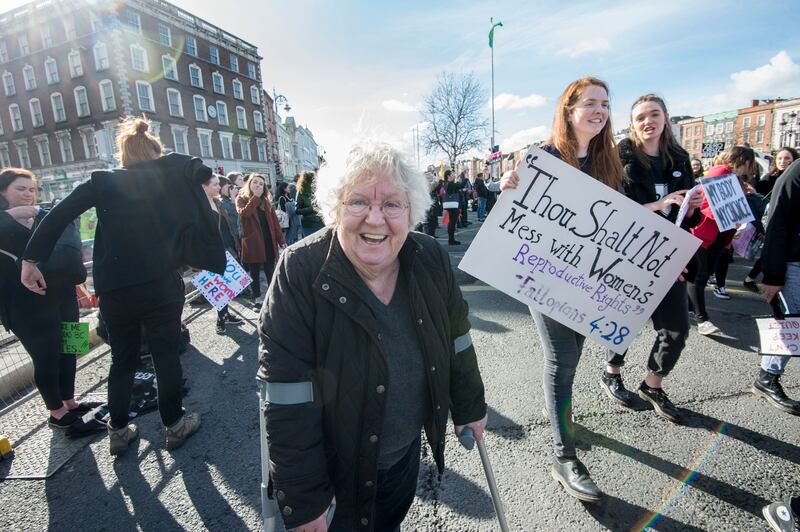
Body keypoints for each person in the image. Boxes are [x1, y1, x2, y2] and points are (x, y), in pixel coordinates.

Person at [259, 142, 487, 531]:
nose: (375, 219)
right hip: (333, 471)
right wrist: (305, 495)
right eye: (358, 202)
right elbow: (286, 391)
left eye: (392, 205)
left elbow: (457, 337)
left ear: (412, 212)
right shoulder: (299, 270)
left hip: (402, 458)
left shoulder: (429, 257)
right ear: (335, 210)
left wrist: (470, 403)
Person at [21, 116, 226, 455]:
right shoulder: (170, 173)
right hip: (161, 282)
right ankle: (174, 424)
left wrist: (31, 261)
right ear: (155, 151)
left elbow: (58, 215)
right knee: (165, 354)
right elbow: (201, 171)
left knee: (123, 358)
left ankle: (118, 430)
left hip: (115, 286)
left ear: (123, 155)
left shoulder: (103, 181)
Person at [500, 76, 625, 502]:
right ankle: (563, 455)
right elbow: (513, 206)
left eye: (605, 104)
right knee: (563, 357)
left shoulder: (610, 161)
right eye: (590, 103)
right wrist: (507, 186)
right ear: (569, 110)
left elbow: (619, 223)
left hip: (588, 281)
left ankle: (560, 414)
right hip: (546, 276)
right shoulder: (544, 157)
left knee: (573, 355)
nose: (599, 111)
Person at [598, 94, 703, 423]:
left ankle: (652, 385)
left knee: (677, 328)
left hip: (669, 256)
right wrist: (657, 206)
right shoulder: (619, 159)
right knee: (623, 322)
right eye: (640, 117)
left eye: (654, 114)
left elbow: (686, 216)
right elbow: (612, 210)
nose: (648, 121)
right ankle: (612, 373)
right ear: (632, 125)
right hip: (630, 255)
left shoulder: (680, 159)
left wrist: (695, 207)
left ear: (666, 118)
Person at [0, 169, 96, 428]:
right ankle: (56, 412)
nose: (28, 195)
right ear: (2, 192)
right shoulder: (4, 220)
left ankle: (70, 401)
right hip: (25, 304)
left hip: (64, 294)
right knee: (46, 355)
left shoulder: (43, 216)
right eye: (20, 189)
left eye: (31, 190)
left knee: (72, 347)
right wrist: (8, 217)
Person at [687, 146, 756, 336]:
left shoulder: (731, 176)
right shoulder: (721, 171)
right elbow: (710, 205)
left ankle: (688, 306)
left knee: (704, 273)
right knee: (699, 276)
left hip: (716, 233)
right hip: (704, 231)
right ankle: (702, 319)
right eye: (751, 165)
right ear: (746, 162)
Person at [753, 158, 800, 415]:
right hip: (794, 263)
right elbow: (776, 221)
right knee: (792, 324)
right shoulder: (797, 172)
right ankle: (768, 377)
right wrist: (772, 275)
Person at [746, 147, 799, 287]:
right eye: (780, 158)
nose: (783, 161)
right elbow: (761, 206)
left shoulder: (794, 177)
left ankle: (751, 278)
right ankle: (752, 278)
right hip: (770, 224)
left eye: (787, 158)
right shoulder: (767, 179)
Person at [200, 174, 244, 335]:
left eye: (219, 184)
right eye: (215, 184)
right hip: (212, 250)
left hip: (227, 246)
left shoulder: (217, 202)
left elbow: (229, 224)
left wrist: (235, 244)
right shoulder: (199, 206)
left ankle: (225, 314)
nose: (219, 187)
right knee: (217, 284)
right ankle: (220, 317)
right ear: (204, 187)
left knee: (226, 284)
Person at [236, 173, 286, 309]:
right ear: (249, 184)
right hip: (253, 244)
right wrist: (255, 198)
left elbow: (275, 223)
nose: (258, 185)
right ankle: (257, 298)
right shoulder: (241, 198)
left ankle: (272, 297)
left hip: (268, 242)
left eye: (261, 184)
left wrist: (281, 240)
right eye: (255, 182)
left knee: (271, 271)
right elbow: (244, 214)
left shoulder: (266, 201)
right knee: (255, 272)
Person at [295, 171, 325, 237]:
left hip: (320, 222)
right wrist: (311, 209)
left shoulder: (318, 191)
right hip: (308, 223)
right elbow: (297, 210)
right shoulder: (301, 193)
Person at [276, 181, 302, 246]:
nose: (289, 189)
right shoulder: (282, 198)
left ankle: (293, 244)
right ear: (284, 189)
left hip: (293, 218)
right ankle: (289, 245)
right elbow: (283, 210)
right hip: (288, 219)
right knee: (289, 233)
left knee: (294, 232)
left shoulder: (288, 196)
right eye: (288, 187)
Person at [442, 169, 461, 245]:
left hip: (450, 205)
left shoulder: (447, 183)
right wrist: (463, 179)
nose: (454, 175)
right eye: (452, 174)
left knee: (451, 222)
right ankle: (451, 240)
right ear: (448, 176)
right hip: (453, 205)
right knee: (452, 222)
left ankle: (451, 239)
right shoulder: (449, 184)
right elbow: (460, 185)